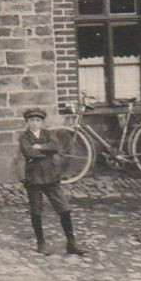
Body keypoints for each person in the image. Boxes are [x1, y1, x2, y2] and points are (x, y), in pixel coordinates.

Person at [19, 107, 86, 256]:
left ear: (42, 122)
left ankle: (71, 242)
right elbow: (28, 152)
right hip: (34, 178)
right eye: (31, 121)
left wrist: (40, 147)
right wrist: (47, 152)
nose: (34, 123)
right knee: (36, 210)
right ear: (27, 122)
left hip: (51, 176)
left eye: (37, 120)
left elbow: (55, 146)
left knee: (64, 208)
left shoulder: (49, 134)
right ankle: (40, 242)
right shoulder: (24, 137)